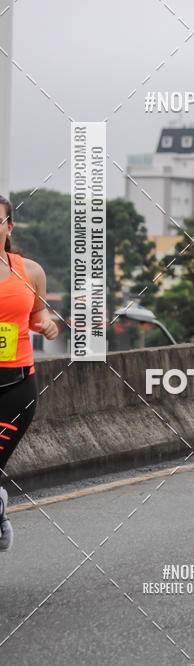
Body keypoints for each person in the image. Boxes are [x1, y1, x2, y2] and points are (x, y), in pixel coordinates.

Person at [0, 195, 59, 550]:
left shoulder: (30, 271)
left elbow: (38, 315)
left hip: (16, 386)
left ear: (9, 227)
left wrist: (47, 324)